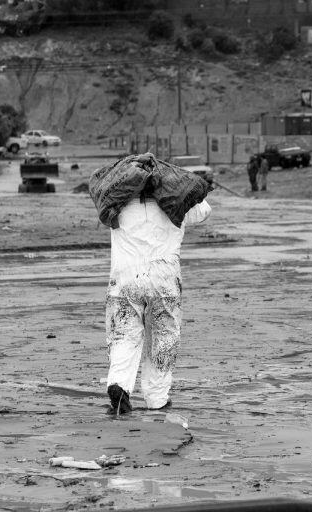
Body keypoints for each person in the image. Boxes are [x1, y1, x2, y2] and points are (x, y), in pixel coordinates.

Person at [100, 155, 212, 415]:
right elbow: (204, 210)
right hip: (164, 281)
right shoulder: (177, 206)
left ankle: (119, 385)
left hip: (125, 280)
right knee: (164, 339)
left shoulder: (117, 206)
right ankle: (157, 398)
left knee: (124, 335)